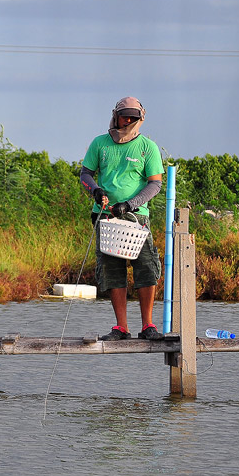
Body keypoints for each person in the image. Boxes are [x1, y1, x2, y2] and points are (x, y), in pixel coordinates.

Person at [79, 96, 165, 341]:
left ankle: (148, 326)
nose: (127, 121)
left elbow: (154, 185)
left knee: (146, 268)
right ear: (115, 116)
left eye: (133, 117)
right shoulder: (100, 143)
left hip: (137, 219)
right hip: (105, 217)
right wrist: (96, 190)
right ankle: (121, 327)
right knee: (111, 270)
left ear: (140, 120)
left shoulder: (148, 147)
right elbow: (86, 173)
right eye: (124, 116)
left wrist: (129, 205)